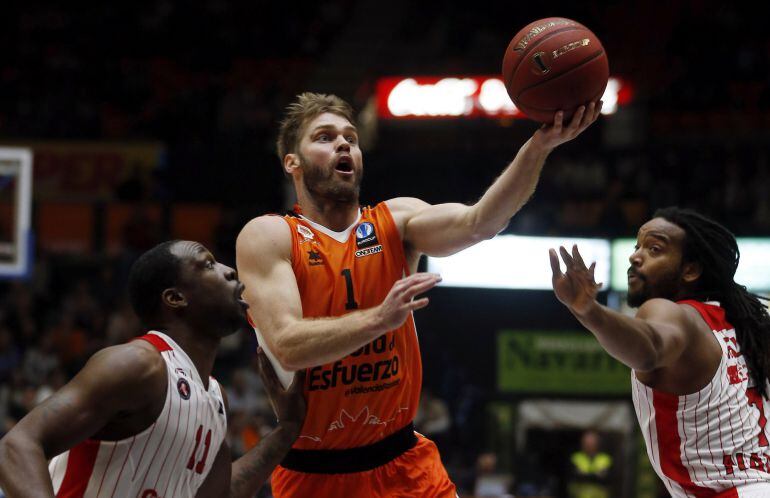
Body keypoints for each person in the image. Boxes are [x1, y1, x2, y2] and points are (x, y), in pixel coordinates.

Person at [236, 92, 601, 497]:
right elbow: (288, 346)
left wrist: (538, 147)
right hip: (315, 473)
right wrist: (379, 319)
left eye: (351, 138)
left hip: (406, 466)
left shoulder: (396, 219)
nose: (343, 144)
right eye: (324, 137)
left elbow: (479, 222)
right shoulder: (269, 235)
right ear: (293, 162)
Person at [0, 240, 306, 498]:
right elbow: (17, 445)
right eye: (208, 264)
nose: (230, 271)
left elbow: (219, 494)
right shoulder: (139, 365)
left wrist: (287, 430)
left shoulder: (215, 399)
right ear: (175, 298)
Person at [550, 207, 770, 496]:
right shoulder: (744, 326)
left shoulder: (671, 313)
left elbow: (650, 347)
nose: (635, 256)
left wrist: (589, 311)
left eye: (654, 249)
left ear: (690, 270)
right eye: (637, 246)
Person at [567, 430, 612, 498]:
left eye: (591, 442)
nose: (589, 444)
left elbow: (606, 479)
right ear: (582, 443)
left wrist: (584, 474)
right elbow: (575, 476)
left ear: (597, 443)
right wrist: (596, 474)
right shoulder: (576, 457)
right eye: (586, 442)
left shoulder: (605, 458)